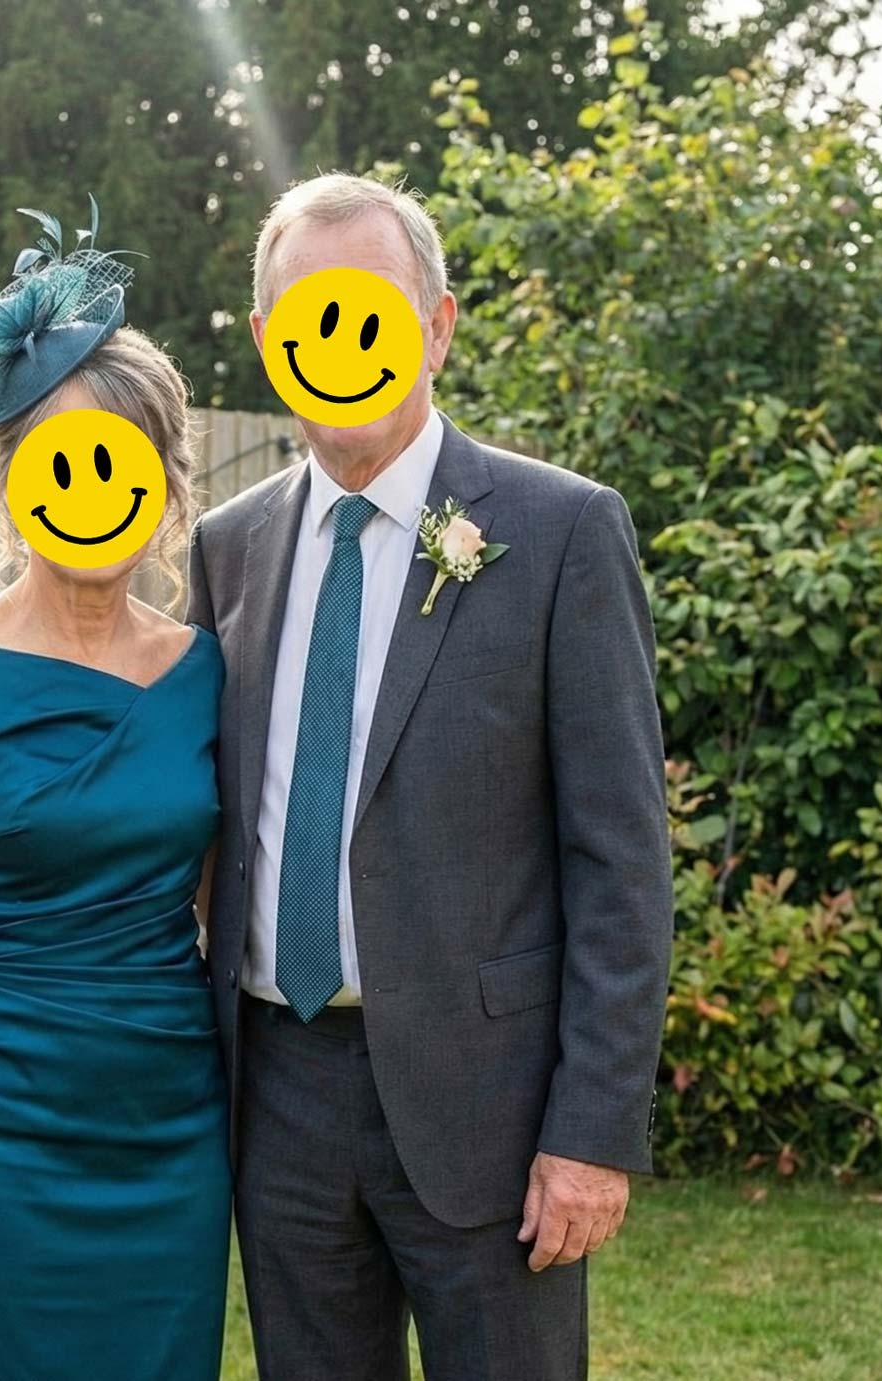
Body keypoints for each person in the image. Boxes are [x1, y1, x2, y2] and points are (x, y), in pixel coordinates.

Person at [186, 171, 674, 1381]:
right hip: (278, 1095)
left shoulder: (561, 532)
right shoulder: (227, 549)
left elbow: (620, 859)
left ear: (438, 326)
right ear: (269, 341)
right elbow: (187, 810)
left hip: (490, 1105)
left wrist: (592, 1130)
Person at [0, 203, 231, 1380]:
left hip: (171, 1129)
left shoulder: (206, 673)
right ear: (11, 483)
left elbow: (229, 905)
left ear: (164, 485)